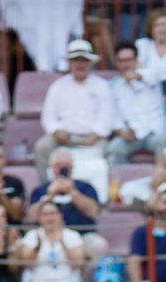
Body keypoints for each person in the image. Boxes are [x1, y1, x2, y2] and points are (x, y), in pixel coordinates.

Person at [34, 39, 115, 178]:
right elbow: (48, 115)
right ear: (69, 63)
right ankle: (46, 188)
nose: (80, 64)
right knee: (42, 147)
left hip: (93, 138)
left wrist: (94, 135)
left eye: (84, 60)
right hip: (64, 136)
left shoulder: (102, 86)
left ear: (90, 63)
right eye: (75, 60)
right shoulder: (58, 86)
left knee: (108, 153)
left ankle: (98, 195)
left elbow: (106, 116)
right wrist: (56, 131)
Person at [27, 149, 109, 261]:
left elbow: (93, 212)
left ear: (72, 166)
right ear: (52, 167)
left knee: (98, 245)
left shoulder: (85, 187)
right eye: (58, 165)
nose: (62, 169)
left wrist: (72, 192)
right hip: (46, 236)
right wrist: (49, 196)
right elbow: (31, 217)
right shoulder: (41, 190)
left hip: (82, 235)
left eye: (66, 165)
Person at [109, 40, 166, 165]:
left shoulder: (150, 74)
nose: (126, 64)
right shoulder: (114, 86)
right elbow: (113, 114)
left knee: (163, 140)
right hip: (133, 135)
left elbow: (150, 79)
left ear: (136, 60)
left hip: (155, 132)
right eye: (121, 61)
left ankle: (162, 180)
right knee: (114, 148)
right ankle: (124, 182)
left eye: (129, 60)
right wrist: (122, 131)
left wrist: (137, 77)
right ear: (116, 63)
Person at [18, 200, 88, 282]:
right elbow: (25, 264)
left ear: (60, 215)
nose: (49, 218)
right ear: (39, 218)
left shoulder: (72, 235)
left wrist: (63, 243)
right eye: (45, 214)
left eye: (53, 213)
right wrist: (38, 246)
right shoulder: (32, 235)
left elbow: (78, 264)